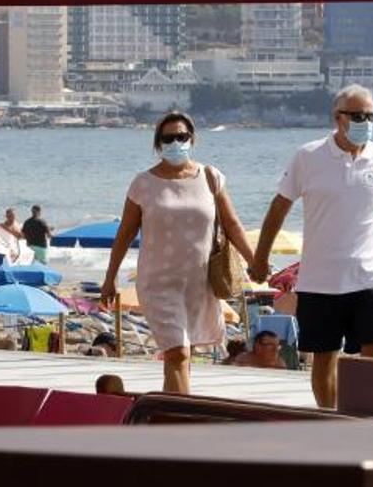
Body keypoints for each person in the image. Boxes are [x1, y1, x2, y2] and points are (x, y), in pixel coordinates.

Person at [248, 84, 373, 409]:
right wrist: (261, 257)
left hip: (370, 276)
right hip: (320, 280)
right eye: (359, 115)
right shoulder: (308, 156)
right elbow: (278, 208)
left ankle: (364, 415)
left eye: (372, 115)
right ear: (339, 117)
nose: (367, 122)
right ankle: (330, 417)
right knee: (324, 357)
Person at [99, 112, 256, 394]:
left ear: (192, 139)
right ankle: (183, 421)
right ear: (158, 143)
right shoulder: (143, 184)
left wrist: (256, 261)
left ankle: (167, 416)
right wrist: (110, 278)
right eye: (168, 138)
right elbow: (125, 234)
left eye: (181, 137)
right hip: (158, 283)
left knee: (181, 356)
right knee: (178, 353)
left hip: (198, 283)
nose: (176, 142)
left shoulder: (211, 178)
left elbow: (232, 225)